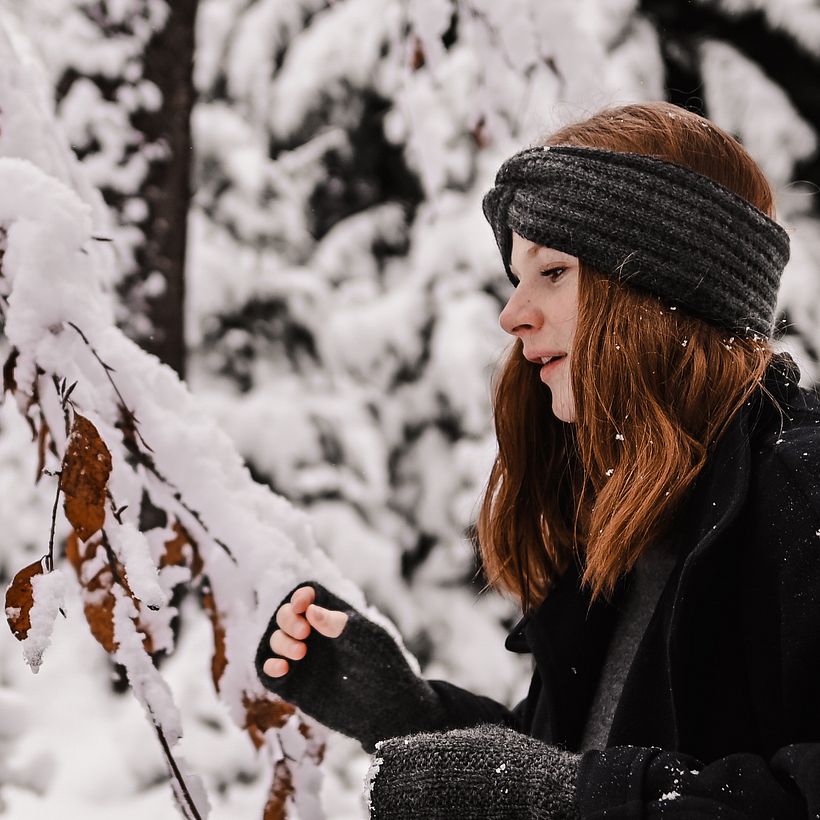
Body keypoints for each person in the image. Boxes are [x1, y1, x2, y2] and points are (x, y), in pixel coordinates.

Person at [255, 101, 820, 818]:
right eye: (517, 278)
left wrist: (556, 798)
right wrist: (413, 714)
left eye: (552, 271)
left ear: (665, 289)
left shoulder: (801, 496)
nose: (512, 312)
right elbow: (592, 764)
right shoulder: (631, 505)